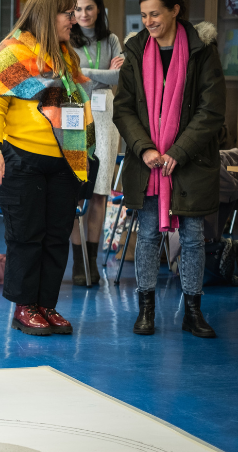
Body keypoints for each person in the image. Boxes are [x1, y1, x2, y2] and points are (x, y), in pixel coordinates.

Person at [0, 0, 96, 336]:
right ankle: (25, 307)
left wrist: (83, 158)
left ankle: (47, 305)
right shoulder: (11, 54)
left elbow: (76, 109)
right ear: (48, 15)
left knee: (57, 237)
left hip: (65, 162)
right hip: (23, 160)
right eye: (68, 13)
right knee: (27, 236)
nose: (74, 20)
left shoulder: (66, 56)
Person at [114, 0, 226, 338]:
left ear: (175, 10)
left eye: (156, 14)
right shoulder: (135, 50)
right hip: (147, 163)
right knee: (147, 236)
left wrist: (179, 150)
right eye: (144, 15)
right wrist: (144, 147)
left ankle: (193, 311)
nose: (148, 21)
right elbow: (123, 108)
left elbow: (212, 109)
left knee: (192, 238)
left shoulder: (201, 50)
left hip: (190, 161)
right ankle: (145, 308)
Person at [69, 0, 125, 286]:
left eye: (88, 8)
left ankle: (91, 261)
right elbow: (68, 77)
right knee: (78, 193)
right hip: (75, 116)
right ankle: (78, 265)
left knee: (100, 193)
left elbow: (121, 76)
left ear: (99, 9)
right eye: (77, 9)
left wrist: (86, 73)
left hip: (105, 119)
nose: (83, 14)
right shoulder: (67, 38)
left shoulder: (112, 39)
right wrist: (102, 74)